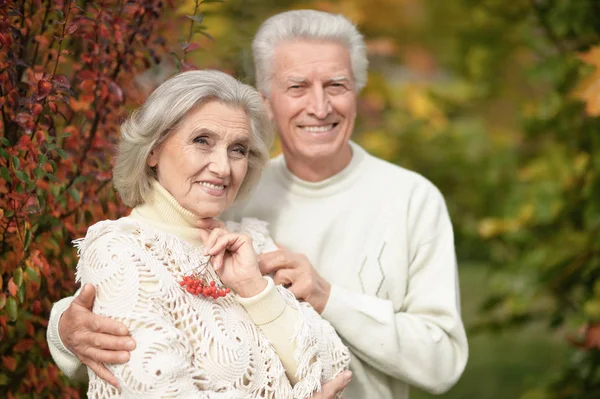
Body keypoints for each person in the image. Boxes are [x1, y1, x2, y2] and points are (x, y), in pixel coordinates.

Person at [48, 9, 468, 399]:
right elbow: (149, 266)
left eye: (336, 85)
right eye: (297, 86)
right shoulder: (228, 196)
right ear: (267, 100)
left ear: (356, 92)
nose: (319, 107)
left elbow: (441, 363)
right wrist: (65, 326)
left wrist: (326, 297)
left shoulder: (411, 198)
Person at [50, 69, 351, 398]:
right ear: (153, 150)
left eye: (237, 149)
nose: (223, 167)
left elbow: (335, 372)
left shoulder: (252, 242)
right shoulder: (121, 250)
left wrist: (255, 291)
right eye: (202, 141)